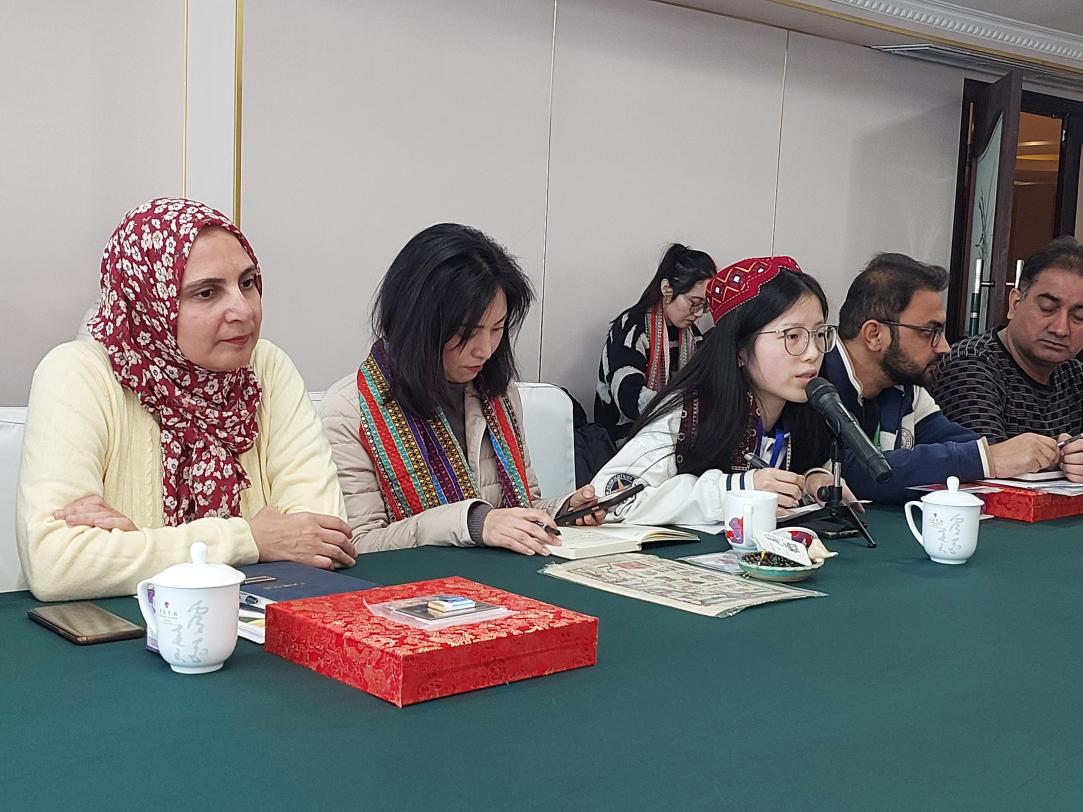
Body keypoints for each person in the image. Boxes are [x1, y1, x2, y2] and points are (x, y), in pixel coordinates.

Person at [16, 198, 353, 602]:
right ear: (148, 302)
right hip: (119, 634)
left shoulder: (266, 367)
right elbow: (56, 565)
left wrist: (139, 545)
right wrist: (250, 539)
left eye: (248, 283)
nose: (243, 310)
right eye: (207, 293)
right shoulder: (78, 373)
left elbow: (325, 537)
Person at [321, 223, 603, 554]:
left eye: (497, 328)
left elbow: (519, 509)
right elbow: (359, 544)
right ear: (418, 324)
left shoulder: (499, 395)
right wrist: (472, 522)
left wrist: (563, 511)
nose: (485, 349)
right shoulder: (349, 411)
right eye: (467, 332)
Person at [591, 256, 852, 527]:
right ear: (739, 348)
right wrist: (733, 489)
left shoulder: (807, 411)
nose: (812, 353)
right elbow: (608, 500)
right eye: (793, 336)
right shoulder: (687, 414)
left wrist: (811, 480)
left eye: (819, 334)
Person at [822, 253, 1058, 504]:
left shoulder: (904, 386)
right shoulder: (813, 377)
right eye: (929, 332)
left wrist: (1046, 453)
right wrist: (987, 459)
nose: (945, 347)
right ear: (874, 334)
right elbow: (848, 470)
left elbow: (956, 441)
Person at [932, 237, 1083, 482]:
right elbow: (988, 463)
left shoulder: (1075, 374)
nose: (1061, 328)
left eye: (1079, 317)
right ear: (1015, 303)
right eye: (1047, 308)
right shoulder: (970, 364)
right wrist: (1063, 457)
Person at [595, 243, 716, 443]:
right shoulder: (632, 327)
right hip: (625, 438)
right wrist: (683, 411)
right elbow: (628, 398)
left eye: (705, 306)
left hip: (671, 433)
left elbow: (702, 385)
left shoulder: (692, 335)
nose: (699, 313)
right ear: (667, 289)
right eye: (694, 303)